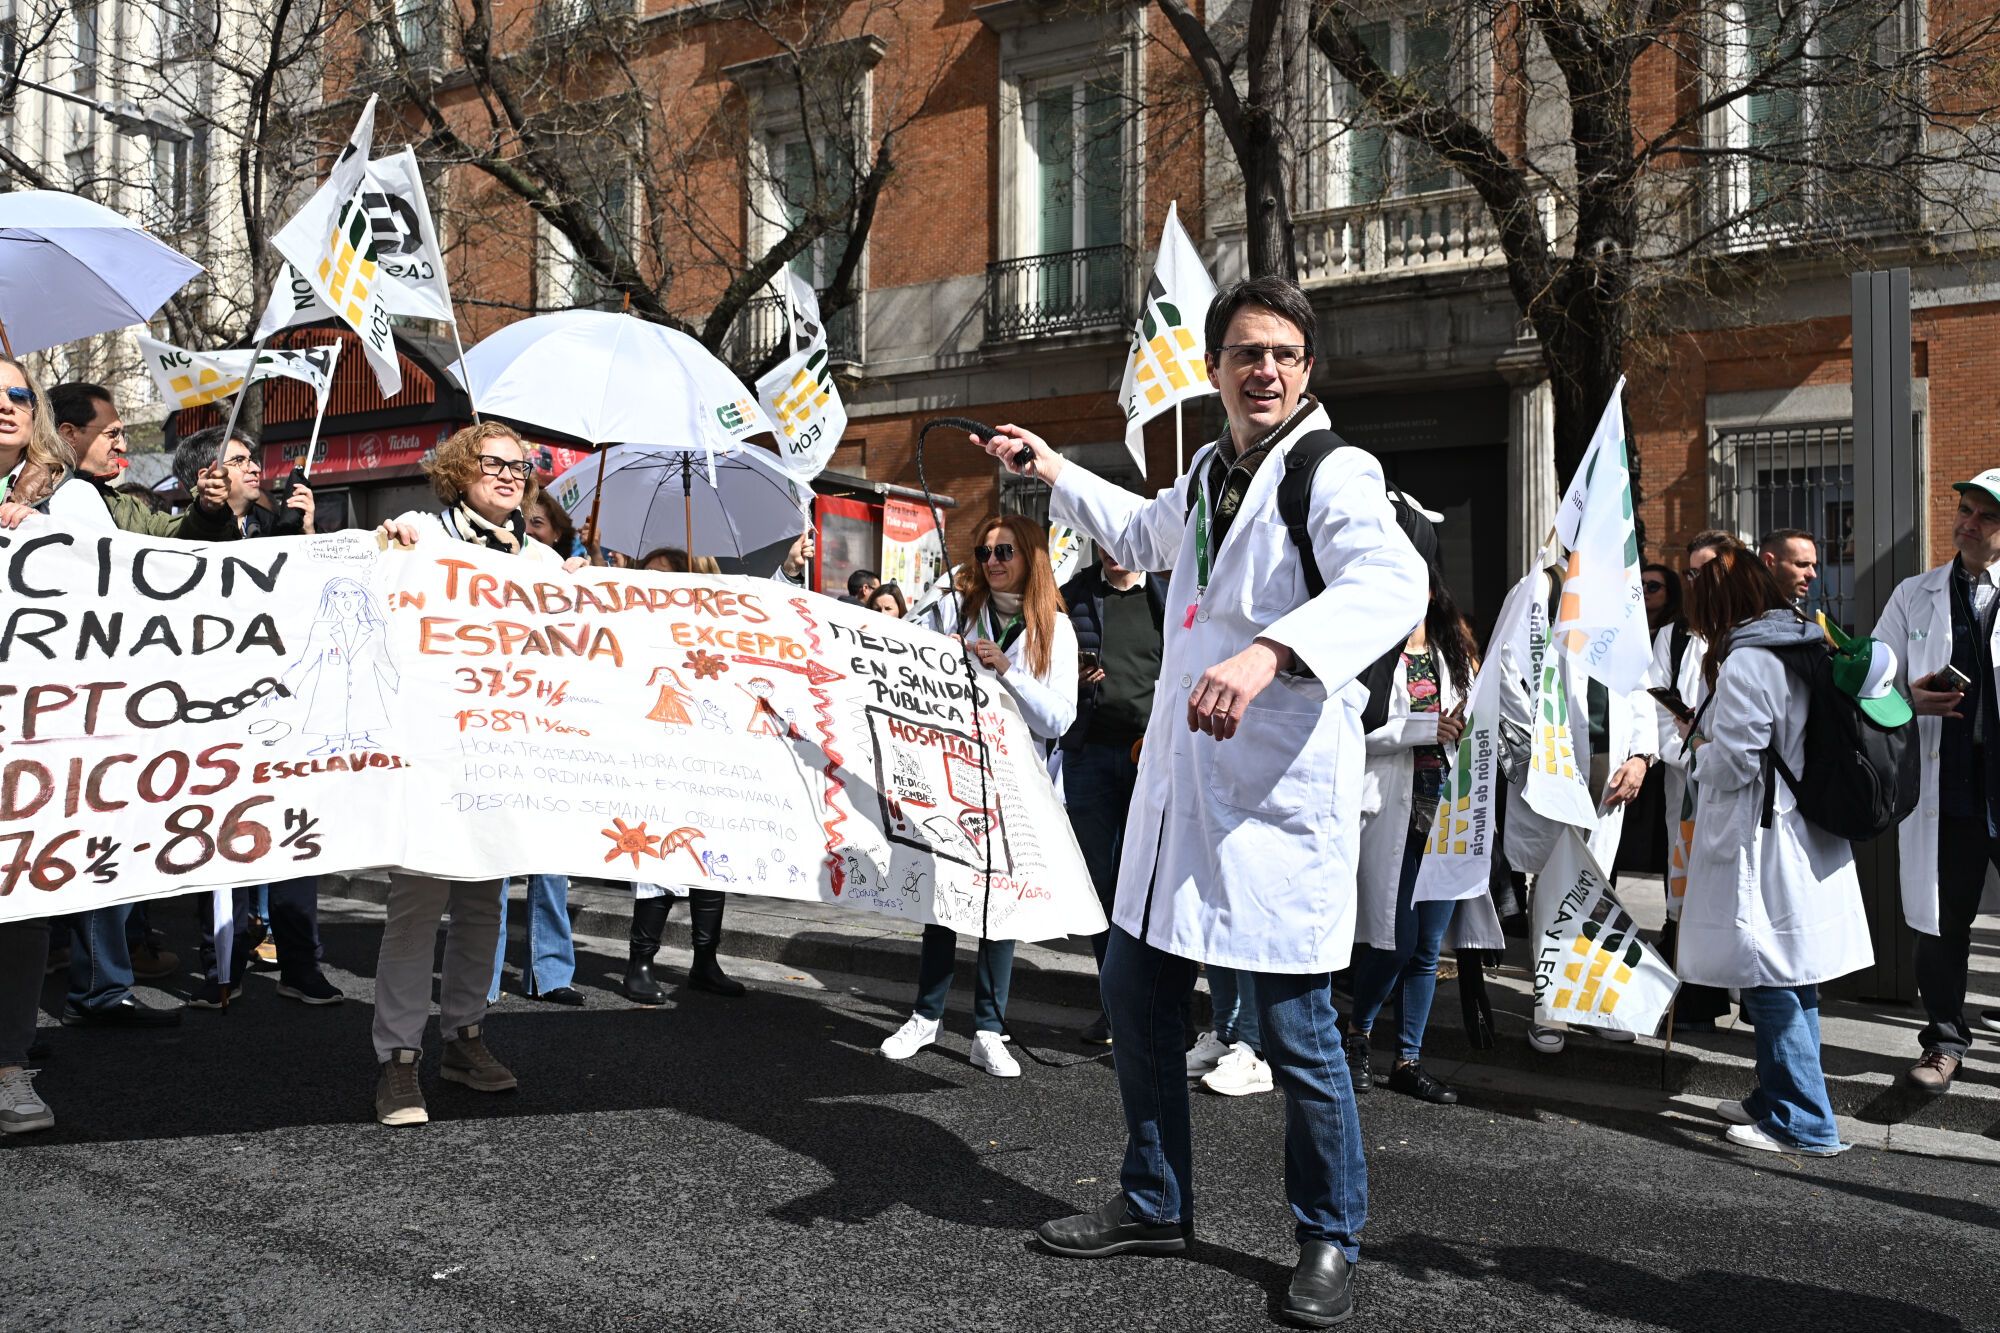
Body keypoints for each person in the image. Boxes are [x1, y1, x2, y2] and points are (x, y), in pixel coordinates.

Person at [989, 276, 1427, 1327]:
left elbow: (1388, 584)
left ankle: (1328, 1232)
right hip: (1182, 790)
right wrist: (1050, 473)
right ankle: (1153, 1199)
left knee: (1295, 1034)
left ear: (1304, 369)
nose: (1262, 370)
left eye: (1280, 353)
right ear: (1215, 369)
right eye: (1242, 353)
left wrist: (1269, 652)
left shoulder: (1332, 469)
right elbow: (1140, 535)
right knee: (1136, 995)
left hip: (1271, 792)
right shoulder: (1208, 468)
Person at [370, 422, 586, 1127]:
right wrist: (392, 538)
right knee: (415, 909)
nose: (507, 474)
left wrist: (587, 595)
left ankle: (465, 1037)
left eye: (519, 466)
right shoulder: (424, 539)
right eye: (492, 462)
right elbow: (383, 568)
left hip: (504, 761)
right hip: (431, 761)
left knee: (483, 907)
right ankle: (398, 1060)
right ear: (460, 471)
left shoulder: (546, 562)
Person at [1679, 535, 1876, 1154]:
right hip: (1798, 827)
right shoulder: (1800, 642)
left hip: (1762, 836)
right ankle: (1775, 1098)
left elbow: (1736, 762)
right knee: (1794, 972)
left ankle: (1803, 1120)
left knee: (1769, 977)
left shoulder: (1747, 660)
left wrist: (1699, 752)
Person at [879, 512, 1079, 1079]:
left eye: (1005, 552)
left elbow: (1059, 718)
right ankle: (925, 1016)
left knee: (1001, 909)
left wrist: (1008, 669)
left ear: (1030, 558)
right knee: (942, 898)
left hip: (1017, 786)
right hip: (955, 774)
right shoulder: (958, 611)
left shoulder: (1055, 630)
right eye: (986, 552)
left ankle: (988, 1030)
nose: (992, 561)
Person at [1494, 543, 1660, 1054]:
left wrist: (1642, 757)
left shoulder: (1620, 604)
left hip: (1607, 771)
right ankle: (1551, 1009)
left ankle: (1592, 1001)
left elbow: (1640, 683)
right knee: (1555, 887)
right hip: (1555, 771)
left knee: (1596, 888)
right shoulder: (1539, 590)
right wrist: (1537, 762)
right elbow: (1505, 674)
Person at [1873, 469, 2000, 1094]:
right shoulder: (1913, 594)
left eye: (1985, 516)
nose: (1967, 523)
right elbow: (1867, 685)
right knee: (1941, 926)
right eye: (1965, 511)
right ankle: (1944, 1044)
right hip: (1946, 787)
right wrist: (1907, 700)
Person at [1346, 554, 1477, 1105]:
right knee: (1392, 941)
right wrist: (1421, 728)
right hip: (1392, 810)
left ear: (1429, 594)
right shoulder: (1371, 657)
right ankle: (1356, 1034)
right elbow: (1353, 731)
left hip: (1446, 814)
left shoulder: (1456, 655)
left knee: (1427, 949)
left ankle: (1408, 1059)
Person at [619, 546, 746, 1003]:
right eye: (646, 574)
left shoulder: (719, 630)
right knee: (658, 861)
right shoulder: (634, 625)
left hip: (708, 761)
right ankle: (641, 963)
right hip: (656, 763)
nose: (653, 582)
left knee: (709, 858)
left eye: (663, 576)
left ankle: (705, 962)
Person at [1060, 545, 1165, 1046]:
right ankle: (1114, 1006)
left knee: (1150, 886)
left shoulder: (1170, 595)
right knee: (1101, 886)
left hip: (1154, 761)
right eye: (1106, 539)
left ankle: (1163, 1007)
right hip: (1090, 756)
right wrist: (1073, 679)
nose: (1116, 552)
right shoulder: (1073, 595)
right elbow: (1045, 665)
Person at [1652, 532, 1736, 1030]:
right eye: (1689, 572)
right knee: (1687, 887)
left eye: (1703, 571)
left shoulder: (1751, 631)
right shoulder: (1675, 637)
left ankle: (1746, 990)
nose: (1694, 581)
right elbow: (1658, 706)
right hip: (1686, 785)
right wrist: (1691, 750)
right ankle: (1698, 997)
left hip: (1739, 786)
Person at [47, 382, 237, 539]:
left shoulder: (125, 508)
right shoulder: (25, 494)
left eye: (123, 435)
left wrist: (206, 509)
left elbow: (170, 535)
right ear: (69, 433)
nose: (122, 447)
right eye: (112, 434)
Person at [173, 424, 316, 537]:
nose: (256, 469)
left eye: (251, 460)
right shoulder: (177, 539)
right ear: (208, 476)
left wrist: (308, 534)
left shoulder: (279, 532)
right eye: (239, 460)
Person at [1759, 528, 1819, 610]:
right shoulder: (1743, 611)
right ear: (1769, 562)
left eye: (1814, 566)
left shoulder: (1794, 609)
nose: (1812, 574)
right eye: (1802, 564)